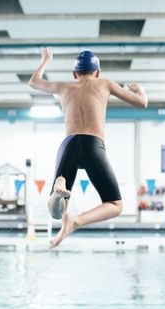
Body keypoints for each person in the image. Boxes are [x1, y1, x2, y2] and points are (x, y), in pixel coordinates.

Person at [29, 48, 148, 248]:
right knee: (115, 205)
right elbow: (142, 103)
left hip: (69, 144)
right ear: (98, 72)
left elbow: (34, 82)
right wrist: (140, 90)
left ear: (75, 74)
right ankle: (76, 221)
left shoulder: (65, 87)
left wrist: (46, 60)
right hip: (93, 145)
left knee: (56, 212)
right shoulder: (105, 83)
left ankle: (60, 188)